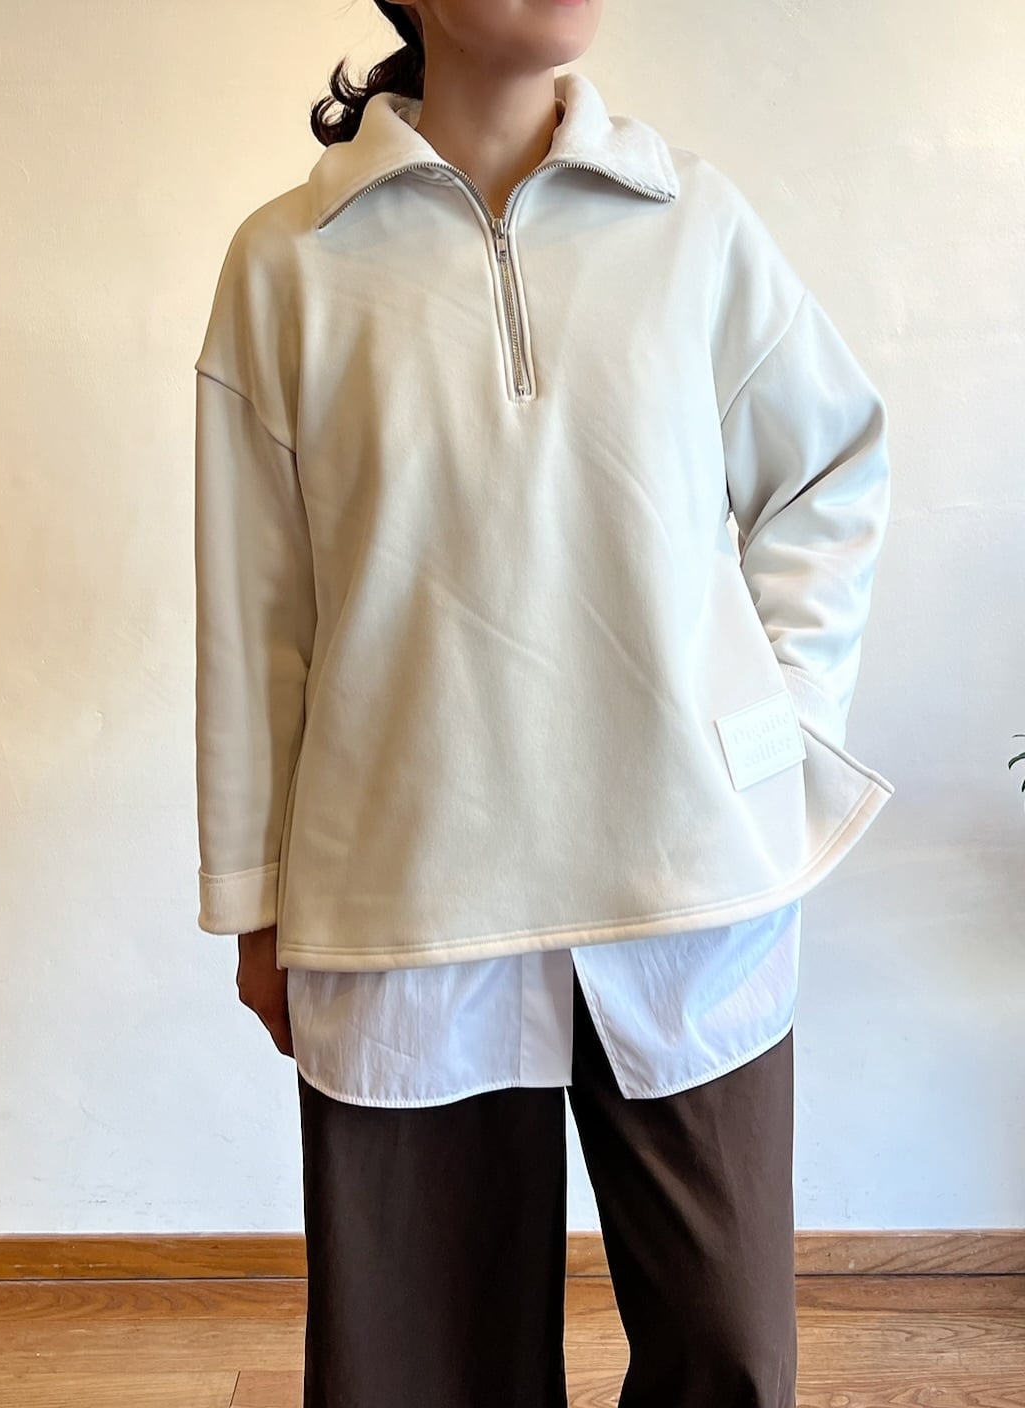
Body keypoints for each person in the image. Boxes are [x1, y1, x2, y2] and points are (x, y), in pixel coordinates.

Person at [192, 2, 894, 1405]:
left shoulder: (693, 224)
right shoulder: (289, 264)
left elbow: (830, 471)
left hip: (689, 884)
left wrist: (772, 726)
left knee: (728, 1356)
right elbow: (258, 615)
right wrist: (257, 901)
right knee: (417, 1371)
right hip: (404, 904)